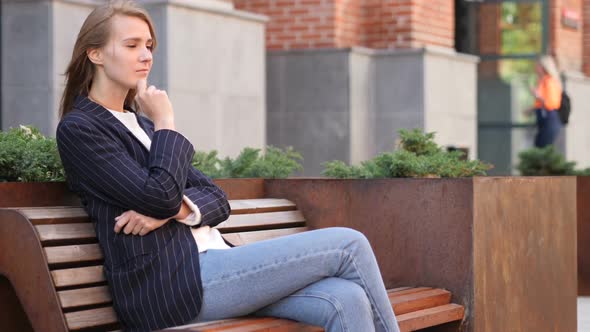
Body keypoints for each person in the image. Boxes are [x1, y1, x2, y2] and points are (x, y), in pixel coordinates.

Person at [55, 2, 400, 331]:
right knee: (349, 245)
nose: (146, 56)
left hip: (218, 267)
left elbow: (216, 198)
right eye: (131, 45)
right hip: (175, 284)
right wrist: (165, 120)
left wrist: (174, 210)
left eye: (149, 45)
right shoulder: (83, 129)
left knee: (347, 298)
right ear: (95, 53)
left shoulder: (142, 127)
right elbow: (159, 194)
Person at [525, 55, 563, 148]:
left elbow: (551, 103)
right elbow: (541, 103)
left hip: (550, 119)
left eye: (537, 65)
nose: (535, 67)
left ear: (544, 67)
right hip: (543, 118)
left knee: (542, 148)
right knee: (539, 146)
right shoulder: (541, 81)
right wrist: (531, 109)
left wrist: (537, 95)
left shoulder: (550, 81)